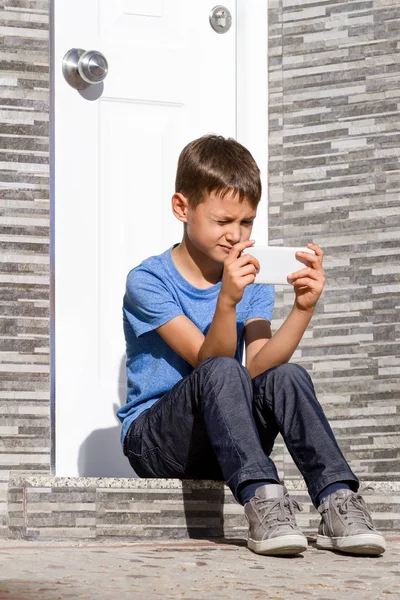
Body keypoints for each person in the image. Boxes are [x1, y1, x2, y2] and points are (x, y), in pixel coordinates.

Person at [117, 134, 386, 557]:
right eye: (223, 222)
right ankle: (263, 499)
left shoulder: (250, 274)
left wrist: (303, 308)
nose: (236, 235)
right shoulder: (148, 281)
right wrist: (227, 300)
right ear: (182, 208)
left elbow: (259, 364)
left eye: (246, 223)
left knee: (289, 375)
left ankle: (338, 500)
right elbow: (211, 363)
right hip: (158, 443)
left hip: (229, 437)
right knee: (222, 370)